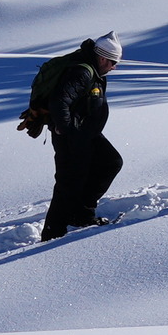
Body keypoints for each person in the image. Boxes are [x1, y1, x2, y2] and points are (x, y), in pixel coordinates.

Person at [22, 34, 122, 239]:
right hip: (72, 135)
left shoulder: (93, 70)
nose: (114, 67)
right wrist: (67, 130)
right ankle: (52, 234)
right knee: (68, 183)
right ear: (103, 58)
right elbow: (59, 102)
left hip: (85, 133)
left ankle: (82, 214)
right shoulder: (82, 72)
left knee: (110, 162)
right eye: (113, 62)